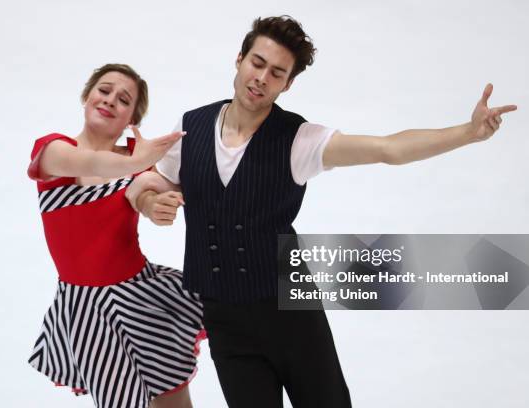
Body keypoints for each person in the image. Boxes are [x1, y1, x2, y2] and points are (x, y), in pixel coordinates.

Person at [125, 16, 517, 408]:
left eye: (277, 72)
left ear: (288, 83)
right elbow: (154, 181)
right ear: (240, 59)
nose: (262, 77)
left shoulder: (298, 139)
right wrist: (148, 202)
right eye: (257, 63)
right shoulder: (191, 127)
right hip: (224, 319)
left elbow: (388, 149)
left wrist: (468, 132)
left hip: (290, 317)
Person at [26, 63, 205, 408]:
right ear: (87, 96)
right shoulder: (53, 150)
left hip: (144, 294)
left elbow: (143, 193)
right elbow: (91, 164)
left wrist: (155, 205)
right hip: (86, 310)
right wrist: (138, 164)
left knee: (174, 397)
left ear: (132, 119)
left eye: (123, 100)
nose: (110, 101)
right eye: (104, 90)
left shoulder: (138, 164)